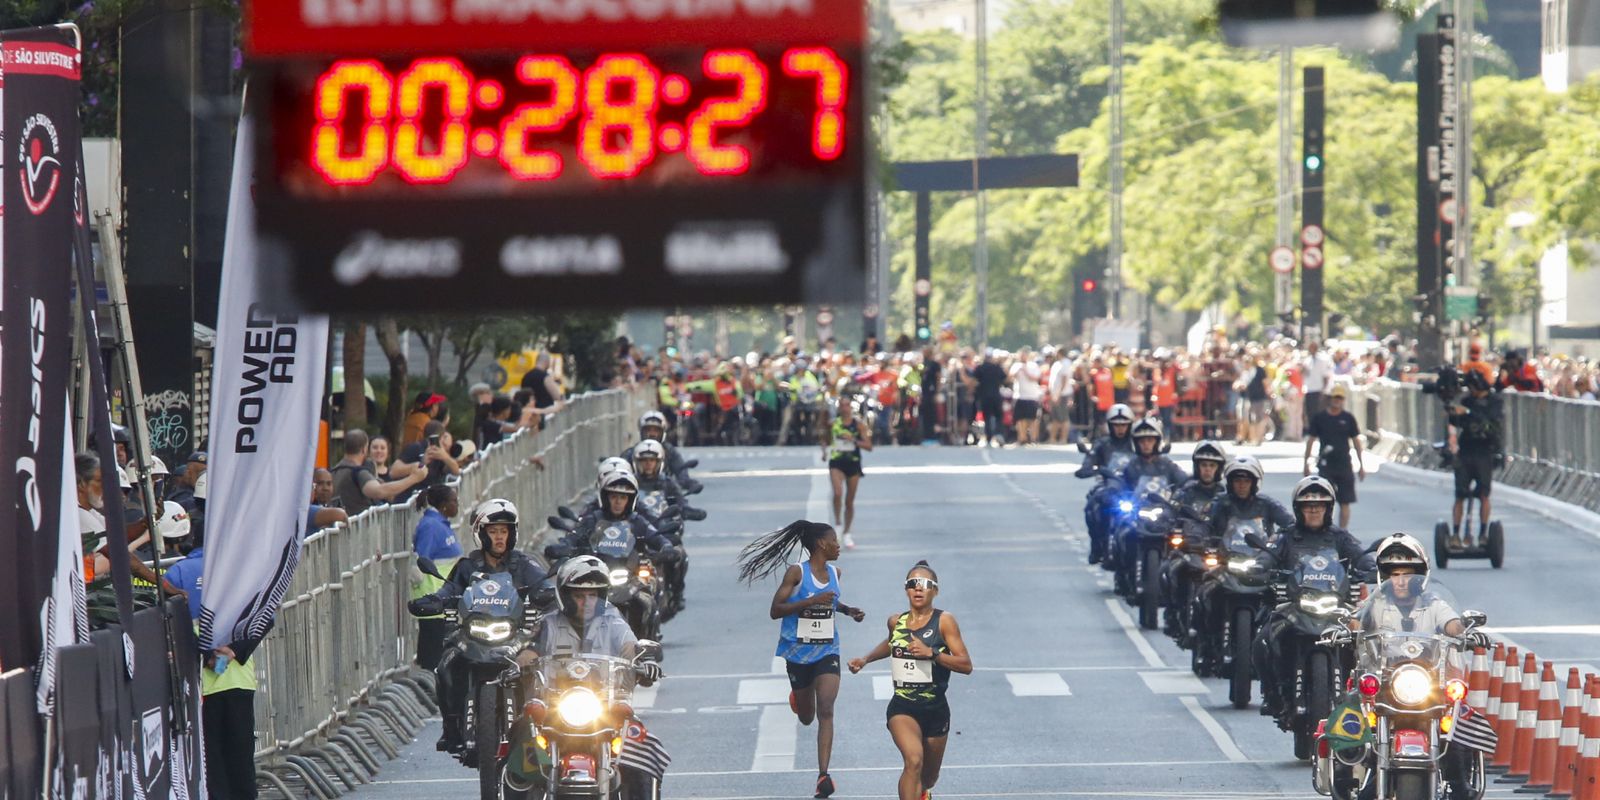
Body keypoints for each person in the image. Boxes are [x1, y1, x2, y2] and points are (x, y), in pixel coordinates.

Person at [736, 521, 867, 799]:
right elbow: (775, 610)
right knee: (807, 717)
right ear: (821, 544)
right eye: (834, 540)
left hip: (827, 650)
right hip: (797, 653)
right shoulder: (797, 573)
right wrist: (809, 601)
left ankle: (823, 776)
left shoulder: (835, 572)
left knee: (827, 709)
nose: (838, 545)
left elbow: (830, 602)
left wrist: (847, 610)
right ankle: (799, 698)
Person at [408, 499, 548, 752]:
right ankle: (451, 727)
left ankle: (539, 726)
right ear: (481, 534)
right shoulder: (466, 566)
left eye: (504, 531)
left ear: (512, 534)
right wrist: (434, 601)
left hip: (514, 636)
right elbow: (448, 590)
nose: (499, 538)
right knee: (445, 666)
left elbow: (545, 588)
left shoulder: (524, 564)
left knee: (540, 666)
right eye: (493, 531)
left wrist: (548, 596)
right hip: (472, 634)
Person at [848, 561, 972, 800]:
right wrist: (865, 659)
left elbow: (966, 665)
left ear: (935, 590)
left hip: (936, 709)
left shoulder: (944, 621)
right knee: (913, 760)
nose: (918, 589)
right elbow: (891, 643)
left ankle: (924, 792)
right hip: (903, 708)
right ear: (906, 589)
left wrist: (932, 654)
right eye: (912, 584)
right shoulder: (896, 621)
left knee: (928, 777)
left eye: (925, 584)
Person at [164, 520, 265, 800]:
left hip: (201, 685)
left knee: (211, 761)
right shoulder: (244, 571)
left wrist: (207, 654)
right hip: (238, 680)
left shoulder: (179, 571)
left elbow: (169, 620)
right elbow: (264, 617)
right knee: (242, 759)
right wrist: (234, 650)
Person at [1253, 476, 1367, 718]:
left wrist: (1372, 566)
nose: (1314, 510)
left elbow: (1361, 556)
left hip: (1334, 608)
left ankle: (1358, 696)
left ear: (1328, 508)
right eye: (1308, 505)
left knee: (1365, 643)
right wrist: (1261, 566)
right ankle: (1273, 695)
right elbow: (1268, 556)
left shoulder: (1340, 537)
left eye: (1320, 505)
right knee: (1261, 641)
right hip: (1295, 608)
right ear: (1298, 509)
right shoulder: (1286, 536)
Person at [1074, 403, 1137, 565]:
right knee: (1092, 507)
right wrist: (1092, 469)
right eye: (1116, 425)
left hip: (1135, 487)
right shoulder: (1102, 444)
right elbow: (1088, 462)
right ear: (1110, 426)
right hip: (1109, 487)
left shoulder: (1139, 444)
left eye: (1124, 425)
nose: (1120, 429)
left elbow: (1154, 462)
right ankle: (1097, 545)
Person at [1448, 369, 1503, 548]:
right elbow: (1458, 423)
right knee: (1460, 495)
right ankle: (1455, 534)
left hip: (1485, 452)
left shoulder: (1494, 402)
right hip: (1466, 451)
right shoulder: (1466, 401)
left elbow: (1491, 421)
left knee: (1483, 495)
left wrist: (1468, 412)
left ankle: (1483, 534)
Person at [411, 484, 464, 670]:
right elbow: (420, 562)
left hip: (445, 599)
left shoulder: (440, 524)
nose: (457, 505)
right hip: (433, 599)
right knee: (432, 654)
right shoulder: (430, 527)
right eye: (454, 501)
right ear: (443, 505)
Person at [1303, 382, 1366, 528]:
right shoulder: (1320, 418)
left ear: (1343, 400)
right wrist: (1306, 463)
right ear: (1330, 399)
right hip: (1326, 465)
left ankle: (1343, 532)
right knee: (1325, 500)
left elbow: (1356, 441)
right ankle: (1327, 529)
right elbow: (1311, 440)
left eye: (1340, 398)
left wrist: (1362, 465)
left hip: (1344, 464)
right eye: (1335, 397)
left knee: (1345, 501)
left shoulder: (1348, 418)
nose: (1337, 401)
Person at [330, 430, 429, 515]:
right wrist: (414, 478)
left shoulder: (332, 472)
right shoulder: (359, 473)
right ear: (364, 449)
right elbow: (379, 491)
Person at [823, 399, 872, 549]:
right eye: (842, 405)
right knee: (838, 493)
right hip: (836, 462)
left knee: (849, 502)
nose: (845, 408)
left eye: (847, 405)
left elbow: (869, 446)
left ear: (851, 408)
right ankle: (838, 523)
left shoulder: (858, 425)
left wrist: (854, 440)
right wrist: (824, 451)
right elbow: (825, 439)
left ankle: (847, 532)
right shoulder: (833, 424)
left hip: (853, 463)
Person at [1009, 349, 1043, 446]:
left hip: (1032, 396)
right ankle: (1022, 438)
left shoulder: (1033, 366)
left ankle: (1033, 439)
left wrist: (1025, 371)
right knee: (1020, 419)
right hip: (1020, 395)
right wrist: (1018, 370)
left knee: (1032, 419)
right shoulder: (1016, 366)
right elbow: (1010, 376)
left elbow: (1035, 378)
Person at [972, 351, 1007, 447]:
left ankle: (989, 437)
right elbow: (1005, 378)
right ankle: (999, 433)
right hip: (996, 395)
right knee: (999, 416)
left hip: (984, 396)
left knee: (987, 417)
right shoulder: (997, 368)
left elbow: (974, 381)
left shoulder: (980, 368)